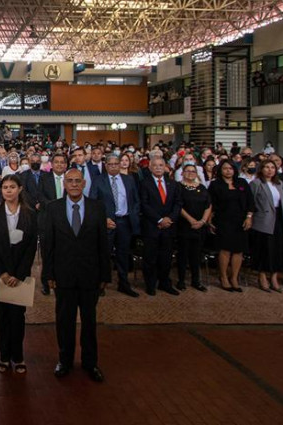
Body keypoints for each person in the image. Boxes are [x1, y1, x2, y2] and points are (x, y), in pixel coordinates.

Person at [41, 168, 109, 382]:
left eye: (77, 181)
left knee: (89, 321)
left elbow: (103, 245)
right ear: (65, 184)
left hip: (90, 275)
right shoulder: (53, 208)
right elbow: (47, 244)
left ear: (84, 183)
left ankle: (91, 363)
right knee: (64, 321)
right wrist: (48, 273)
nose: (73, 184)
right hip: (63, 275)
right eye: (69, 181)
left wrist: (104, 276)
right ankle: (65, 360)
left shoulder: (97, 208)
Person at [0, 174, 37, 374]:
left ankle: (18, 355)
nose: (8, 190)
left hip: (20, 272)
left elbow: (31, 246)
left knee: (18, 315)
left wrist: (19, 274)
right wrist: (3, 273)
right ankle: (4, 356)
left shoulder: (29, 214)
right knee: (3, 314)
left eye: (12, 187)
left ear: (20, 189)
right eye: (4, 187)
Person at [89, 154, 141, 297]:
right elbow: (93, 203)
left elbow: (136, 201)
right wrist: (103, 219)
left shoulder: (129, 180)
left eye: (116, 164)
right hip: (107, 223)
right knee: (104, 254)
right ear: (106, 166)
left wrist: (132, 214)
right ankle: (101, 283)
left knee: (123, 255)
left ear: (120, 165)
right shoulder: (99, 180)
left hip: (125, 222)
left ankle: (123, 284)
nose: (113, 166)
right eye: (110, 164)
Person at [208, 160, 255, 292]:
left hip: (241, 220)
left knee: (238, 250)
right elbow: (210, 203)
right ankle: (223, 277)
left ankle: (234, 277)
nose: (228, 171)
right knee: (225, 250)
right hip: (223, 220)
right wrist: (209, 219)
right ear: (220, 170)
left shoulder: (242, 183)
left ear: (235, 170)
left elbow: (250, 202)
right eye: (225, 168)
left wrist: (249, 217)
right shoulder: (215, 184)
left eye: (230, 168)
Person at [139, 157, 182, 296]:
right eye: (155, 165)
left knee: (166, 257)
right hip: (152, 227)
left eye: (161, 165)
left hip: (169, 226)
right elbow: (144, 204)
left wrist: (169, 219)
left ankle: (164, 283)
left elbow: (178, 203)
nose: (158, 168)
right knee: (150, 258)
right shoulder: (144, 184)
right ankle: (150, 284)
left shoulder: (173, 184)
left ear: (165, 167)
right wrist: (159, 219)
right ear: (150, 168)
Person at [249, 160, 283, 293]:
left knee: (277, 248)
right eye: (266, 167)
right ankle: (262, 276)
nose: (270, 170)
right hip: (262, 219)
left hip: (278, 219)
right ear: (261, 169)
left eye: (272, 167)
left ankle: (274, 277)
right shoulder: (256, 183)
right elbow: (251, 202)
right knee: (264, 248)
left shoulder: (279, 183)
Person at [177, 163, 211, 292]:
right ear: (182, 173)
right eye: (187, 171)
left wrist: (202, 221)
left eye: (193, 171)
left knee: (196, 255)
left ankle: (196, 281)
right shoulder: (178, 187)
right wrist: (190, 220)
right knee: (183, 254)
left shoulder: (202, 187)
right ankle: (181, 280)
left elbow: (208, 205)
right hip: (184, 225)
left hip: (200, 226)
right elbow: (178, 205)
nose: (190, 173)